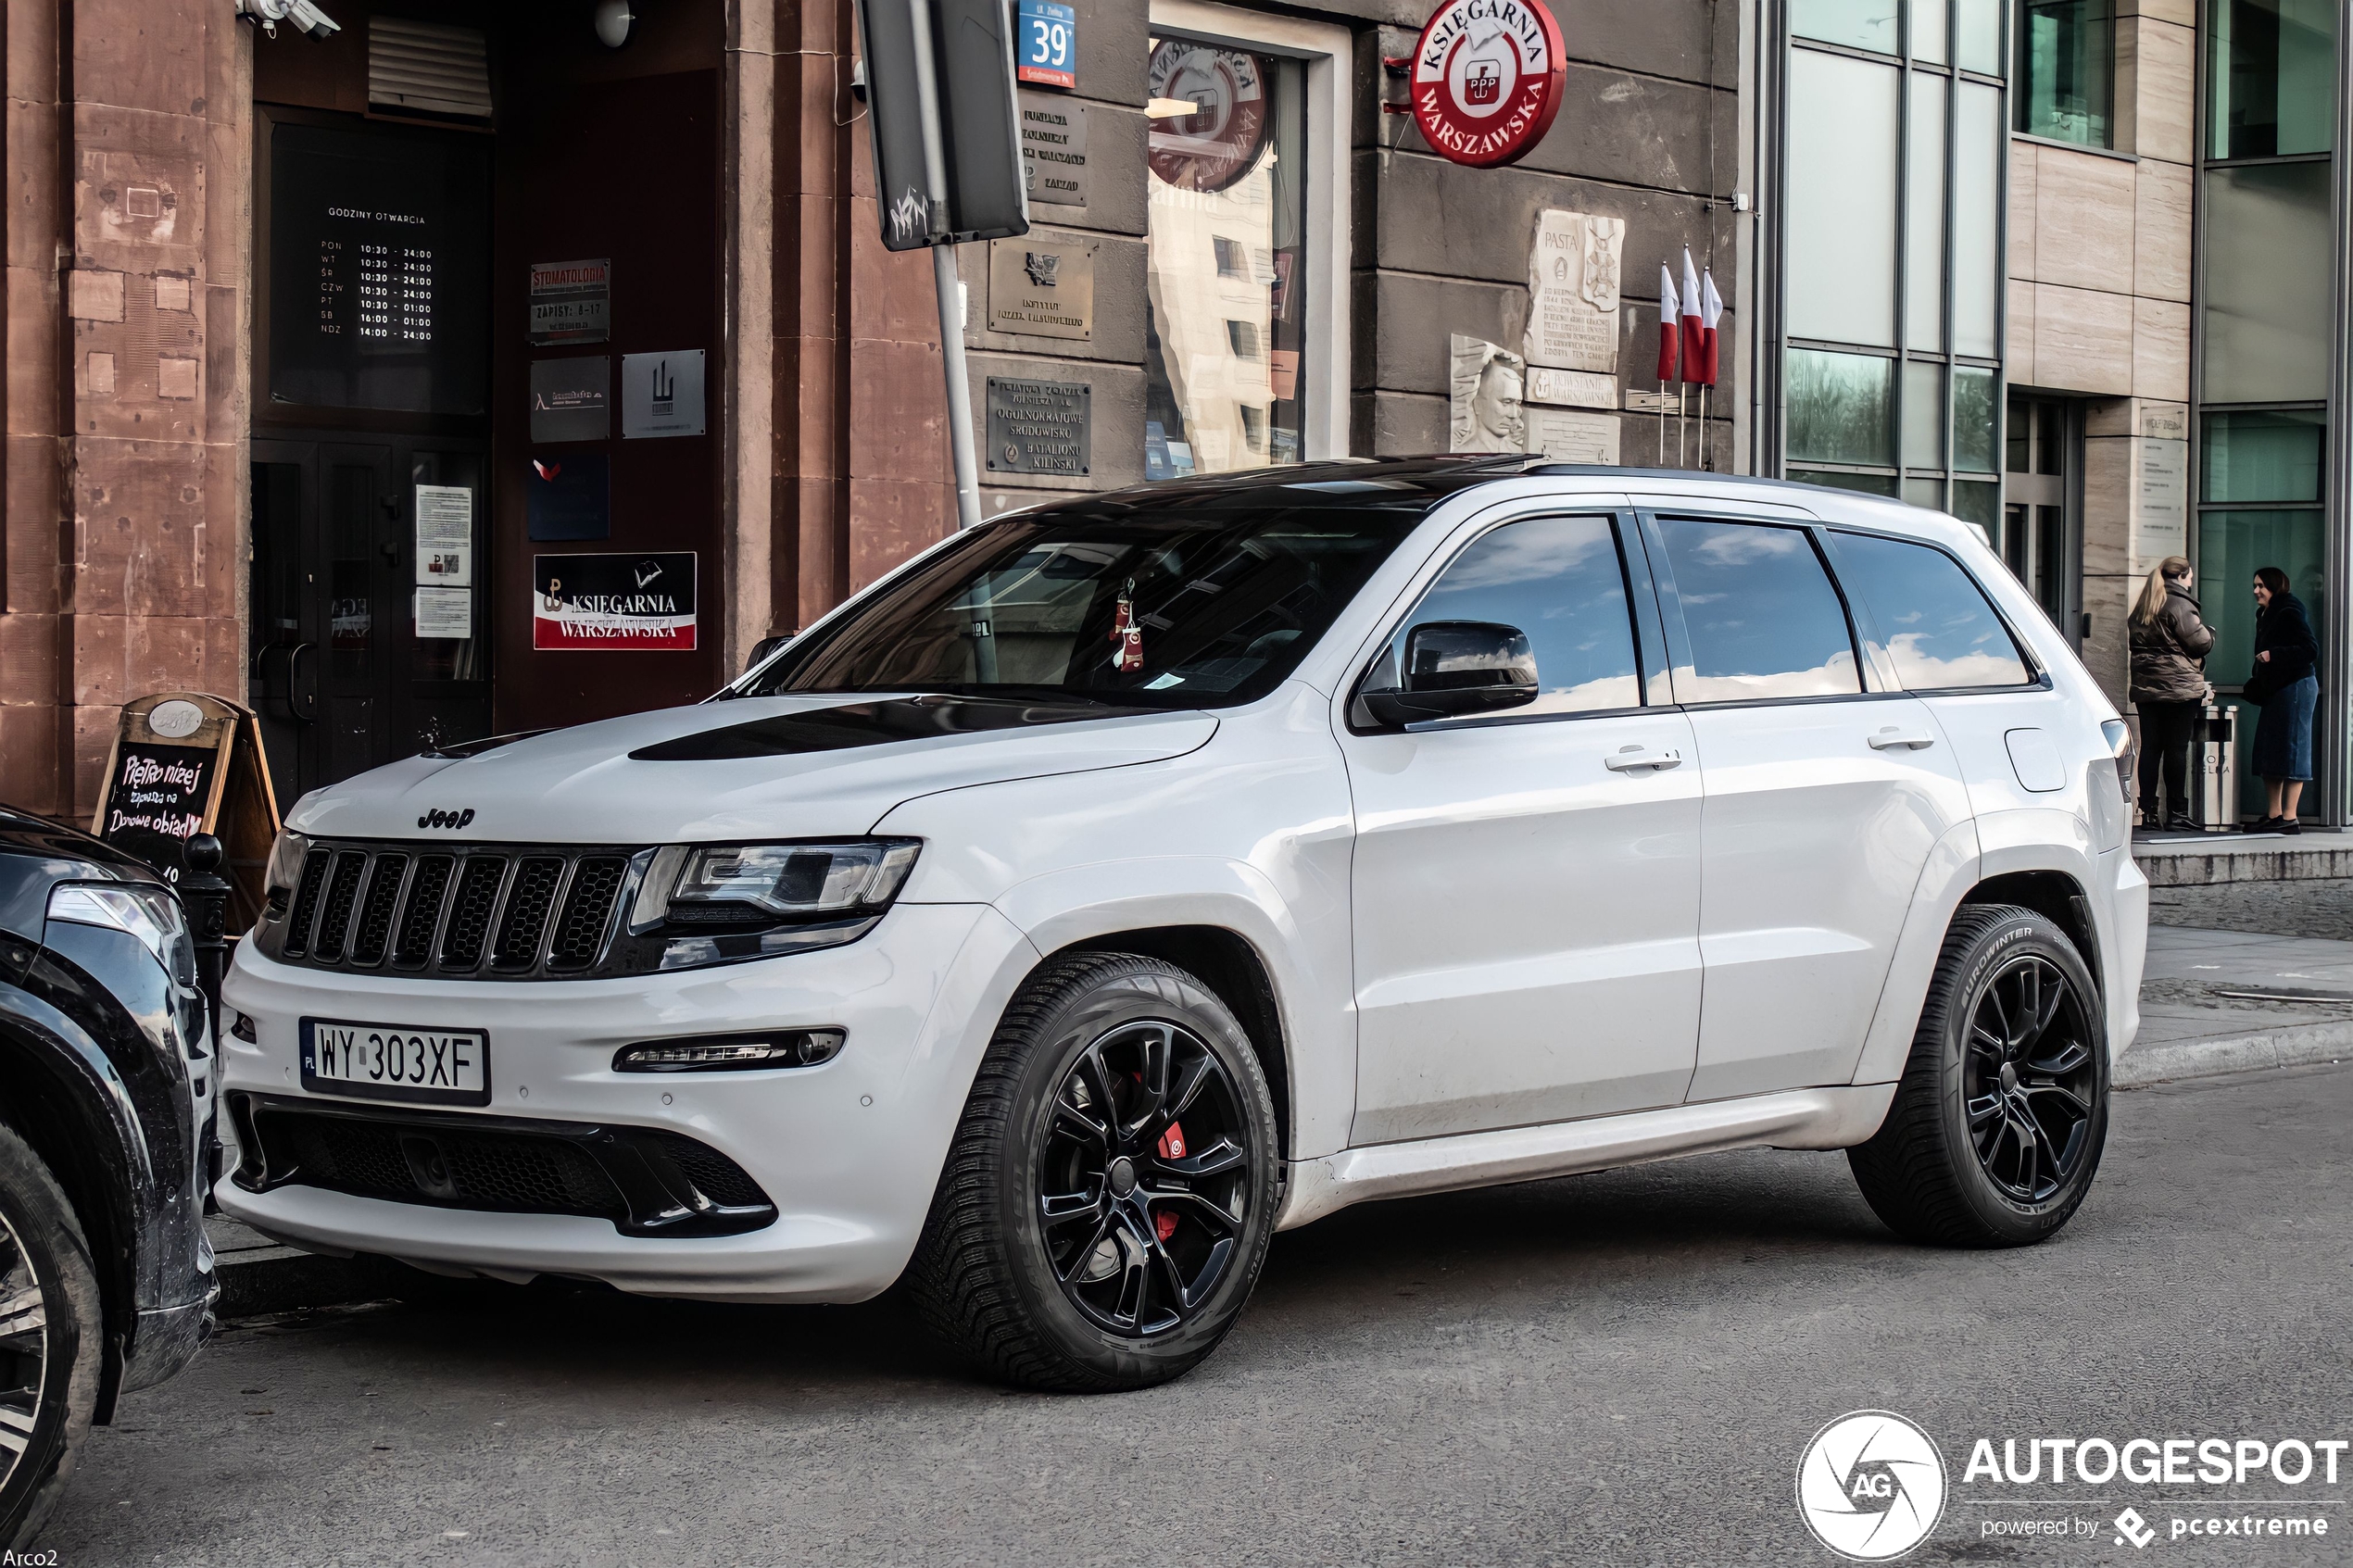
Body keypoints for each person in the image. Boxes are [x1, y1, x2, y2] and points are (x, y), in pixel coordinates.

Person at [2127, 555, 2213, 830]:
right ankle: (2177, 814)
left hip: (2146, 688)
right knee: (2176, 749)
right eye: (2190, 576)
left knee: (2151, 748)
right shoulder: (2180, 604)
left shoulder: (2144, 604)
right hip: (2179, 688)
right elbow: (2199, 643)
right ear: (2183, 576)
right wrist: (2210, 632)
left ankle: (2149, 814)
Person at [2244, 565, 2319, 834]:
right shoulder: (2266, 612)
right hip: (2277, 688)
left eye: (2261, 586)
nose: (2256, 591)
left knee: (2293, 749)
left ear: (2275, 586)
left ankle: (2290, 817)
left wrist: (2273, 655)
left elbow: (2310, 649)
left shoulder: (2289, 609)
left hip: (2296, 686)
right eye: (2255, 585)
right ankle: (2274, 814)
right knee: (2269, 748)